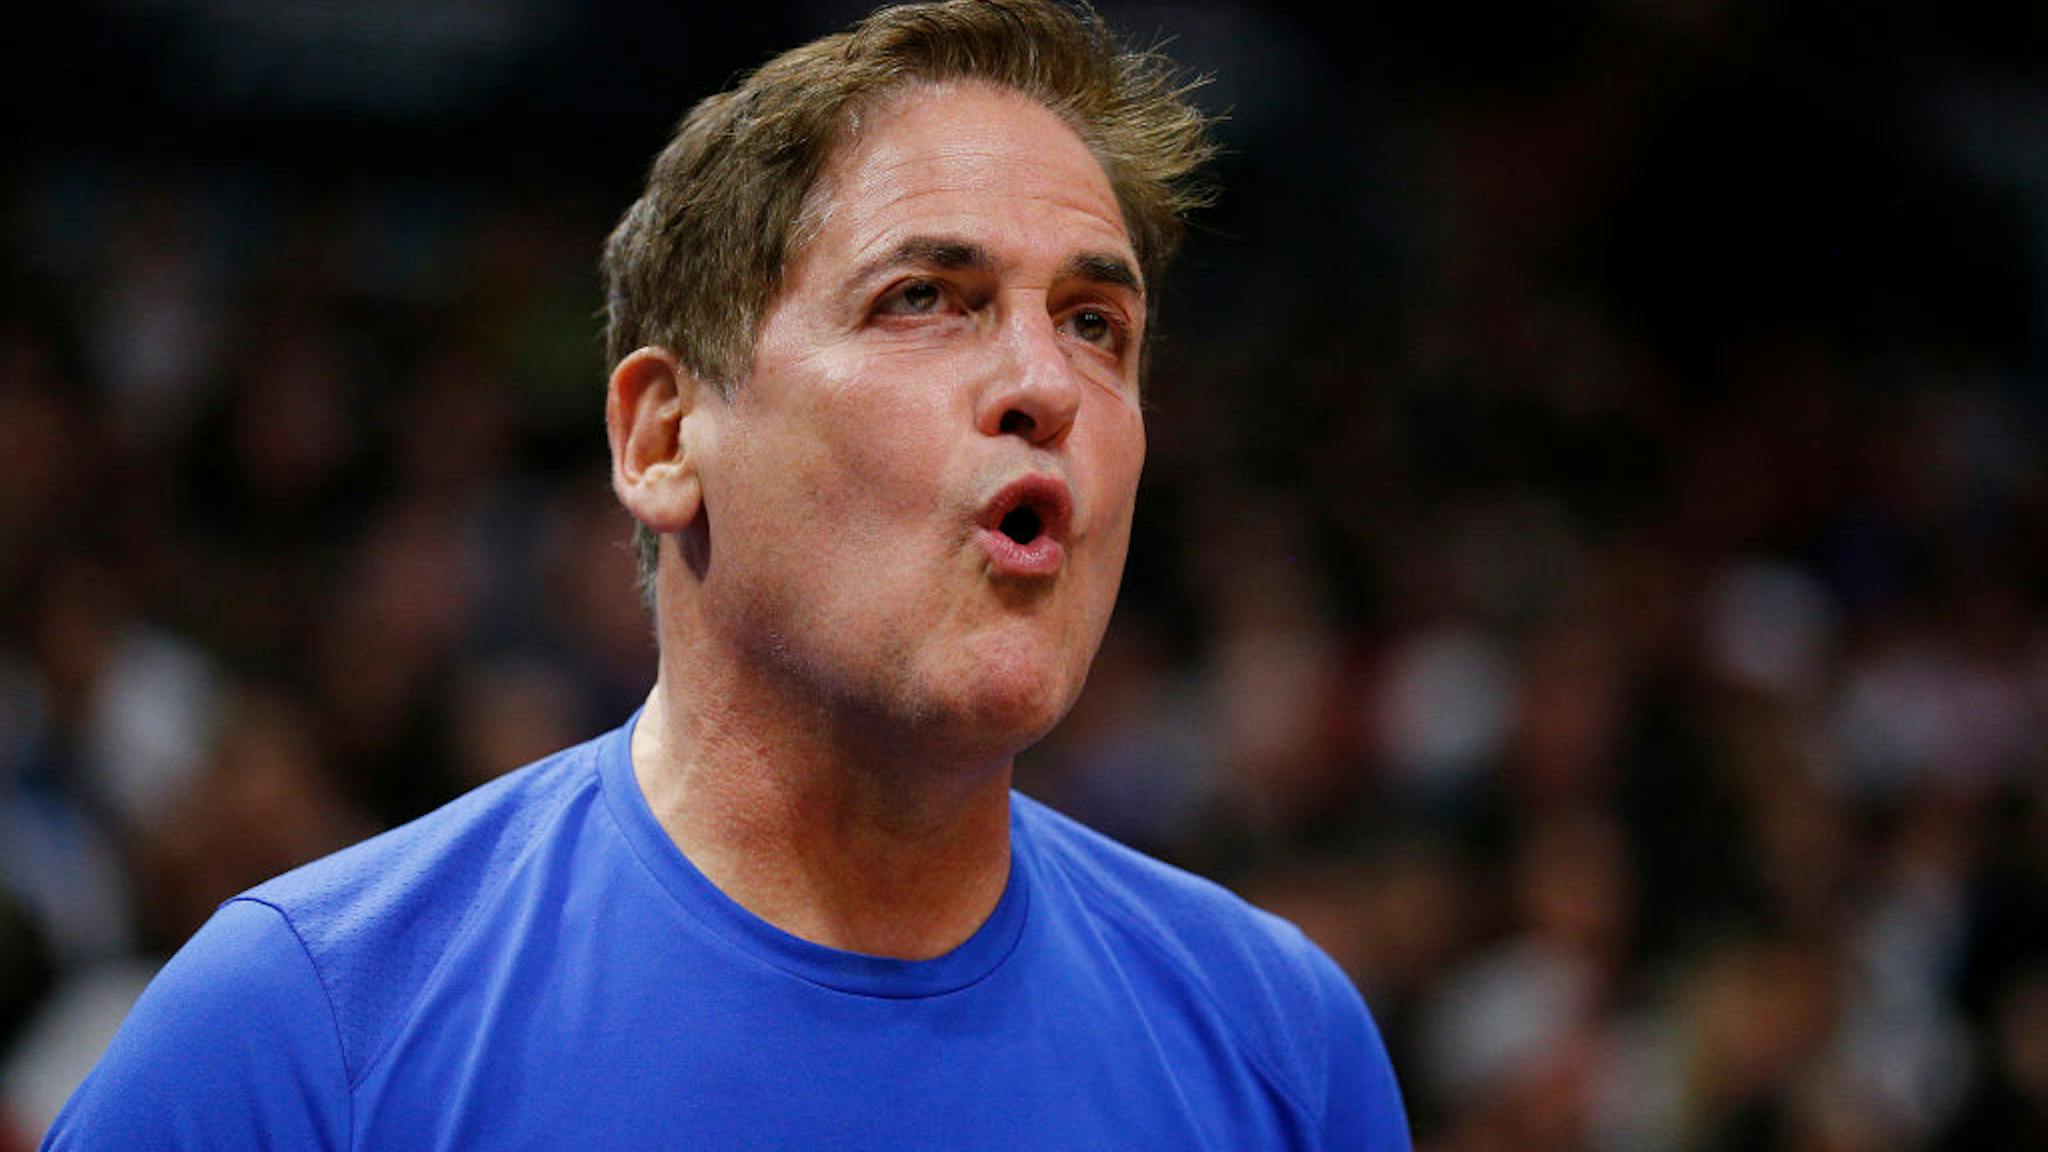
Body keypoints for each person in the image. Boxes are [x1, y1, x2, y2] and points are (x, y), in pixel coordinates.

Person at [44, 1, 1410, 1146]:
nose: (1044, 382)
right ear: (663, 434)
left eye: (1097, 322)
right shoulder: (307, 1027)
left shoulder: (1282, 1047)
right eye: (926, 297)